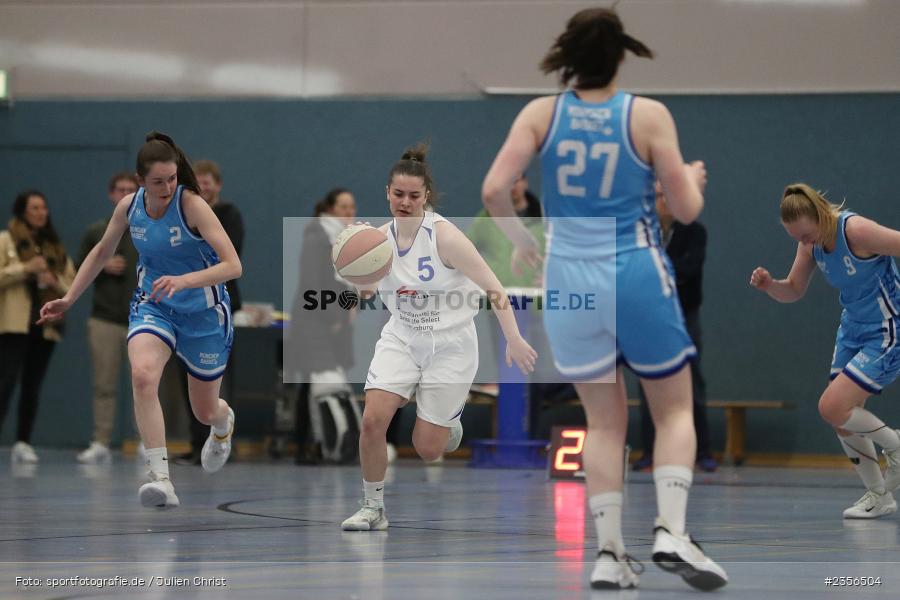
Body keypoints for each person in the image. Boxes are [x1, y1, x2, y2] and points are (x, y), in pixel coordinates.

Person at [481, 8, 727, 590]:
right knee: (672, 410)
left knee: (602, 423)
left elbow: (494, 189)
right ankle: (670, 528)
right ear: (622, 55)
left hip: (567, 277)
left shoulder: (542, 113)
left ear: (566, 55)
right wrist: (689, 177)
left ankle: (609, 554)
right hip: (635, 270)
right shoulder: (645, 114)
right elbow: (686, 209)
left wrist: (523, 243)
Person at [39, 132, 241, 509]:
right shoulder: (129, 208)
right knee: (143, 374)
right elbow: (102, 252)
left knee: (204, 409)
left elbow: (234, 265)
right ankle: (161, 478)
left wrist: (184, 280)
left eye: (171, 178)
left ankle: (222, 421)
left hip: (203, 313)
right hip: (154, 304)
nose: (166, 187)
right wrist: (68, 297)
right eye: (157, 181)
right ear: (140, 180)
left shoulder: (192, 205)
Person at [341, 144, 537, 531]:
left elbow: (494, 288)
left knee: (428, 449)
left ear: (426, 196)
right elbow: (364, 291)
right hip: (402, 337)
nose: (405, 202)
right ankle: (372, 507)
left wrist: (513, 338)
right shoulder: (377, 242)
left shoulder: (445, 237)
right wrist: (352, 274)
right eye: (398, 194)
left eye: (414, 195)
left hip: (450, 346)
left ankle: (449, 423)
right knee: (372, 420)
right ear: (387, 193)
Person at [750, 183, 900, 519]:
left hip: (887, 328)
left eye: (806, 235)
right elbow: (793, 290)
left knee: (831, 406)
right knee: (843, 419)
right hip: (852, 330)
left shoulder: (856, 230)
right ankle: (879, 495)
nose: (804, 244)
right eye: (797, 239)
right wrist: (770, 286)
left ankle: (895, 447)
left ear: (820, 215)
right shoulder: (811, 245)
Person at [634, 183, 717, 472]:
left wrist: (657, 272)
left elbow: (689, 269)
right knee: (648, 382)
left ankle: (703, 451)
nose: (665, 201)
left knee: (692, 379)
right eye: (659, 196)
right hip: (651, 315)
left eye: (670, 195)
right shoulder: (643, 234)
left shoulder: (695, 231)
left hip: (685, 314)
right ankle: (649, 452)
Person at [174, 159, 244, 465]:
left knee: (218, 378)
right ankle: (195, 441)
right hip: (182, 305)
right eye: (199, 180)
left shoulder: (228, 215)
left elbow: (228, 259)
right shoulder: (181, 214)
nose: (204, 185)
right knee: (186, 380)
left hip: (219, 305)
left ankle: (225, 435)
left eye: (209, 181)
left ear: (218, 185)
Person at [0, 190, 76, 464]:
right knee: (6, 382)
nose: (40, 213)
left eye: (43, 207)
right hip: (13, 325)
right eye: (34, 208)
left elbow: (72, 286)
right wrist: (25, 269)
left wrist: (55, 283)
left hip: (44, 327)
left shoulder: (54, 246)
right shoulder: (6, 240)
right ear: (22, 210)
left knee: (32, 385)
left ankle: (23, 441)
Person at [288, 188, 357, 464]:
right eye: (343, 206)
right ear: (329, 208)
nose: (349, 212)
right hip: (315, 321)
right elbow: (313, 283)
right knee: (313, 384)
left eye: (352, 206)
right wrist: (334, 318)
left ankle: (316, 444)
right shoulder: (318, 235)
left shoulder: (346, 238)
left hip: (332, 321)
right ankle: (309, 445)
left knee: (318, 384)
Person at [77, 172, 140, 464]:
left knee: (144, 383)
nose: (126, 194)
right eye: (120, 190)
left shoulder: (146, 229)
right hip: (104, 318)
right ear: (111, 195)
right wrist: (103, 265)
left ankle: (144, 441)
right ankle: (101, 440)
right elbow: (78, 267)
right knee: (104, 383)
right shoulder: (97, 232)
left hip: (141, 319)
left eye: (131, 189)